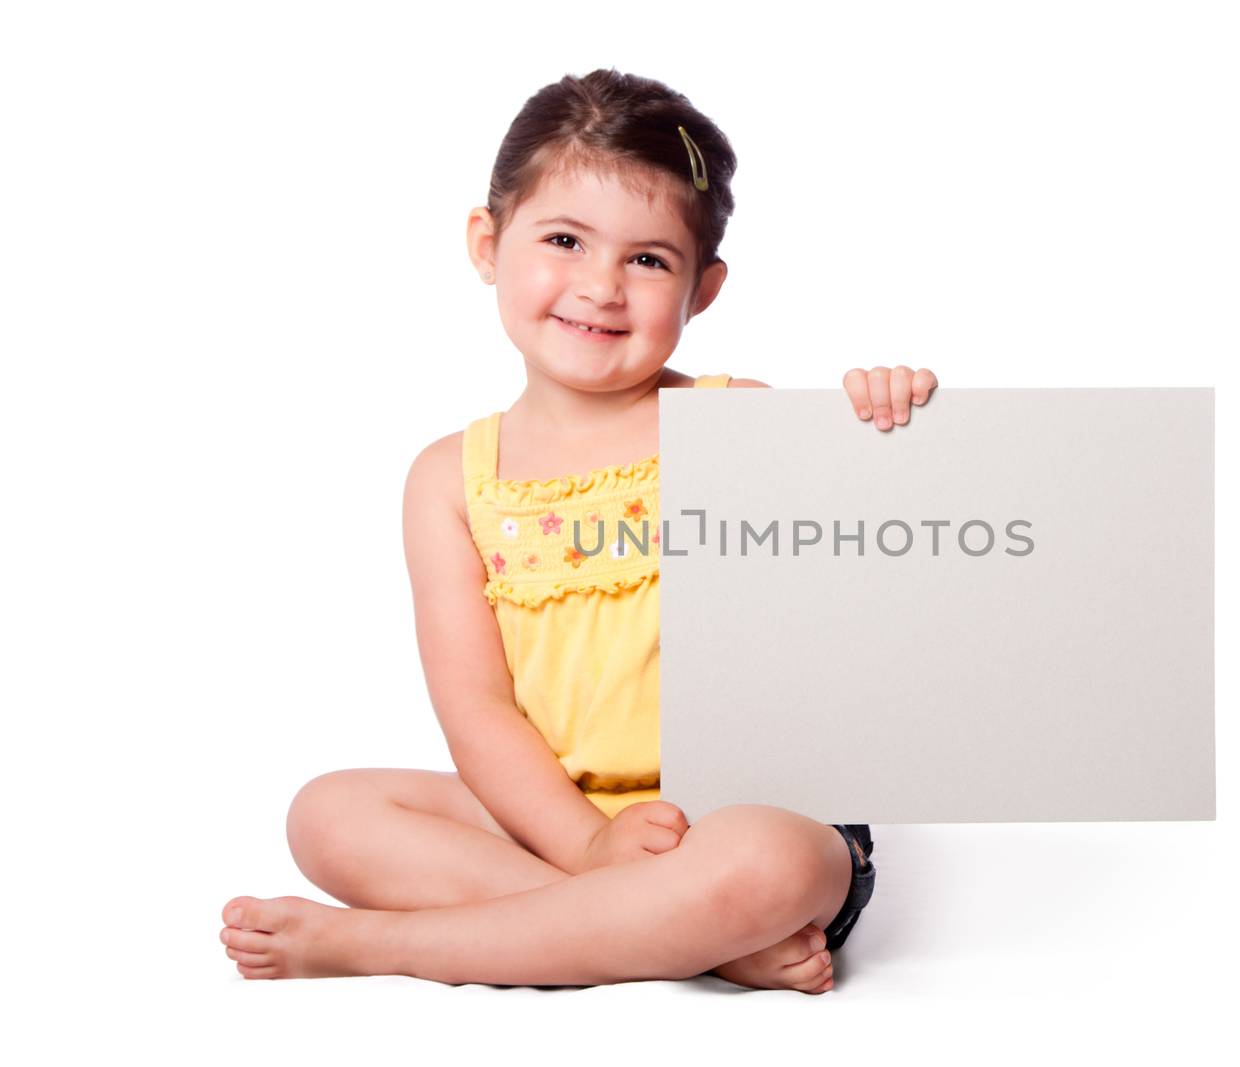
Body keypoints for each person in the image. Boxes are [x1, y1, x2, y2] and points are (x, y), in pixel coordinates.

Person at [218, 69, 937, 993]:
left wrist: (885, 430)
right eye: (564, 239)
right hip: (559, 819)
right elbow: (477, 710)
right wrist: (589, 842)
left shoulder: (743, 425)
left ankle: (384, 944)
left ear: (703, 289)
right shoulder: (450, 479)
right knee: (329, 814)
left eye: (649, 259)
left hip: (737, 813)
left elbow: (884, 587)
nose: (600, 287)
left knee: (765, 862)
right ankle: (681, 933)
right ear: (488, 242)